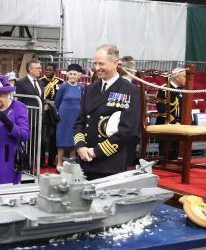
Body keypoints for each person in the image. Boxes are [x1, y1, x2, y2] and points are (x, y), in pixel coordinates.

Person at [73, 44, 141, 180]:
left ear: (116, 63)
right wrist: (80, 147)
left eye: (101, 64)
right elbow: (80, 122)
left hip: (109, 162)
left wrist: (96, 152)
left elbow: (128, 131)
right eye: (95, 63)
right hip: (84, 160)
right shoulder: (91, 88)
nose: (97, 68)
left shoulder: (129, 90)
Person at [54, 64, 84, 172]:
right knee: (62, 139)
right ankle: (59, 162)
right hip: (64, 116)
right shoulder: (63, 86)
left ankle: (72, 162)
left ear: (79, 76)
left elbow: (83, 101)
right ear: (67, 75)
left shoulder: (81, 87)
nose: (72, 76)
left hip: (76, 116)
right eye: (70, 74)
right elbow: (57, 102)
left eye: (74, 74)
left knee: (73, 140)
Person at [156, 68, 186, 160]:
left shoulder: (183, 90)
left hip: (179, 125)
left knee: (175, 151)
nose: (186, 78)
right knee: (166, 152)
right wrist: (175, 122)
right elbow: (162, 109)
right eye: (184, 76)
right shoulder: (164, 88)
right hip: (166, 124)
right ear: (177, 77)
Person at [40, 63, 65, 167]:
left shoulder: (60, 82)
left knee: (53, 137)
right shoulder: (40, 81)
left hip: (55, 112)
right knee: (43, 138)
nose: (47, 71)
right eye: (46, 70)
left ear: (54, 71)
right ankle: (41, 161)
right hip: (45, 111)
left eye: (50, 70)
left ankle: (51, 160)